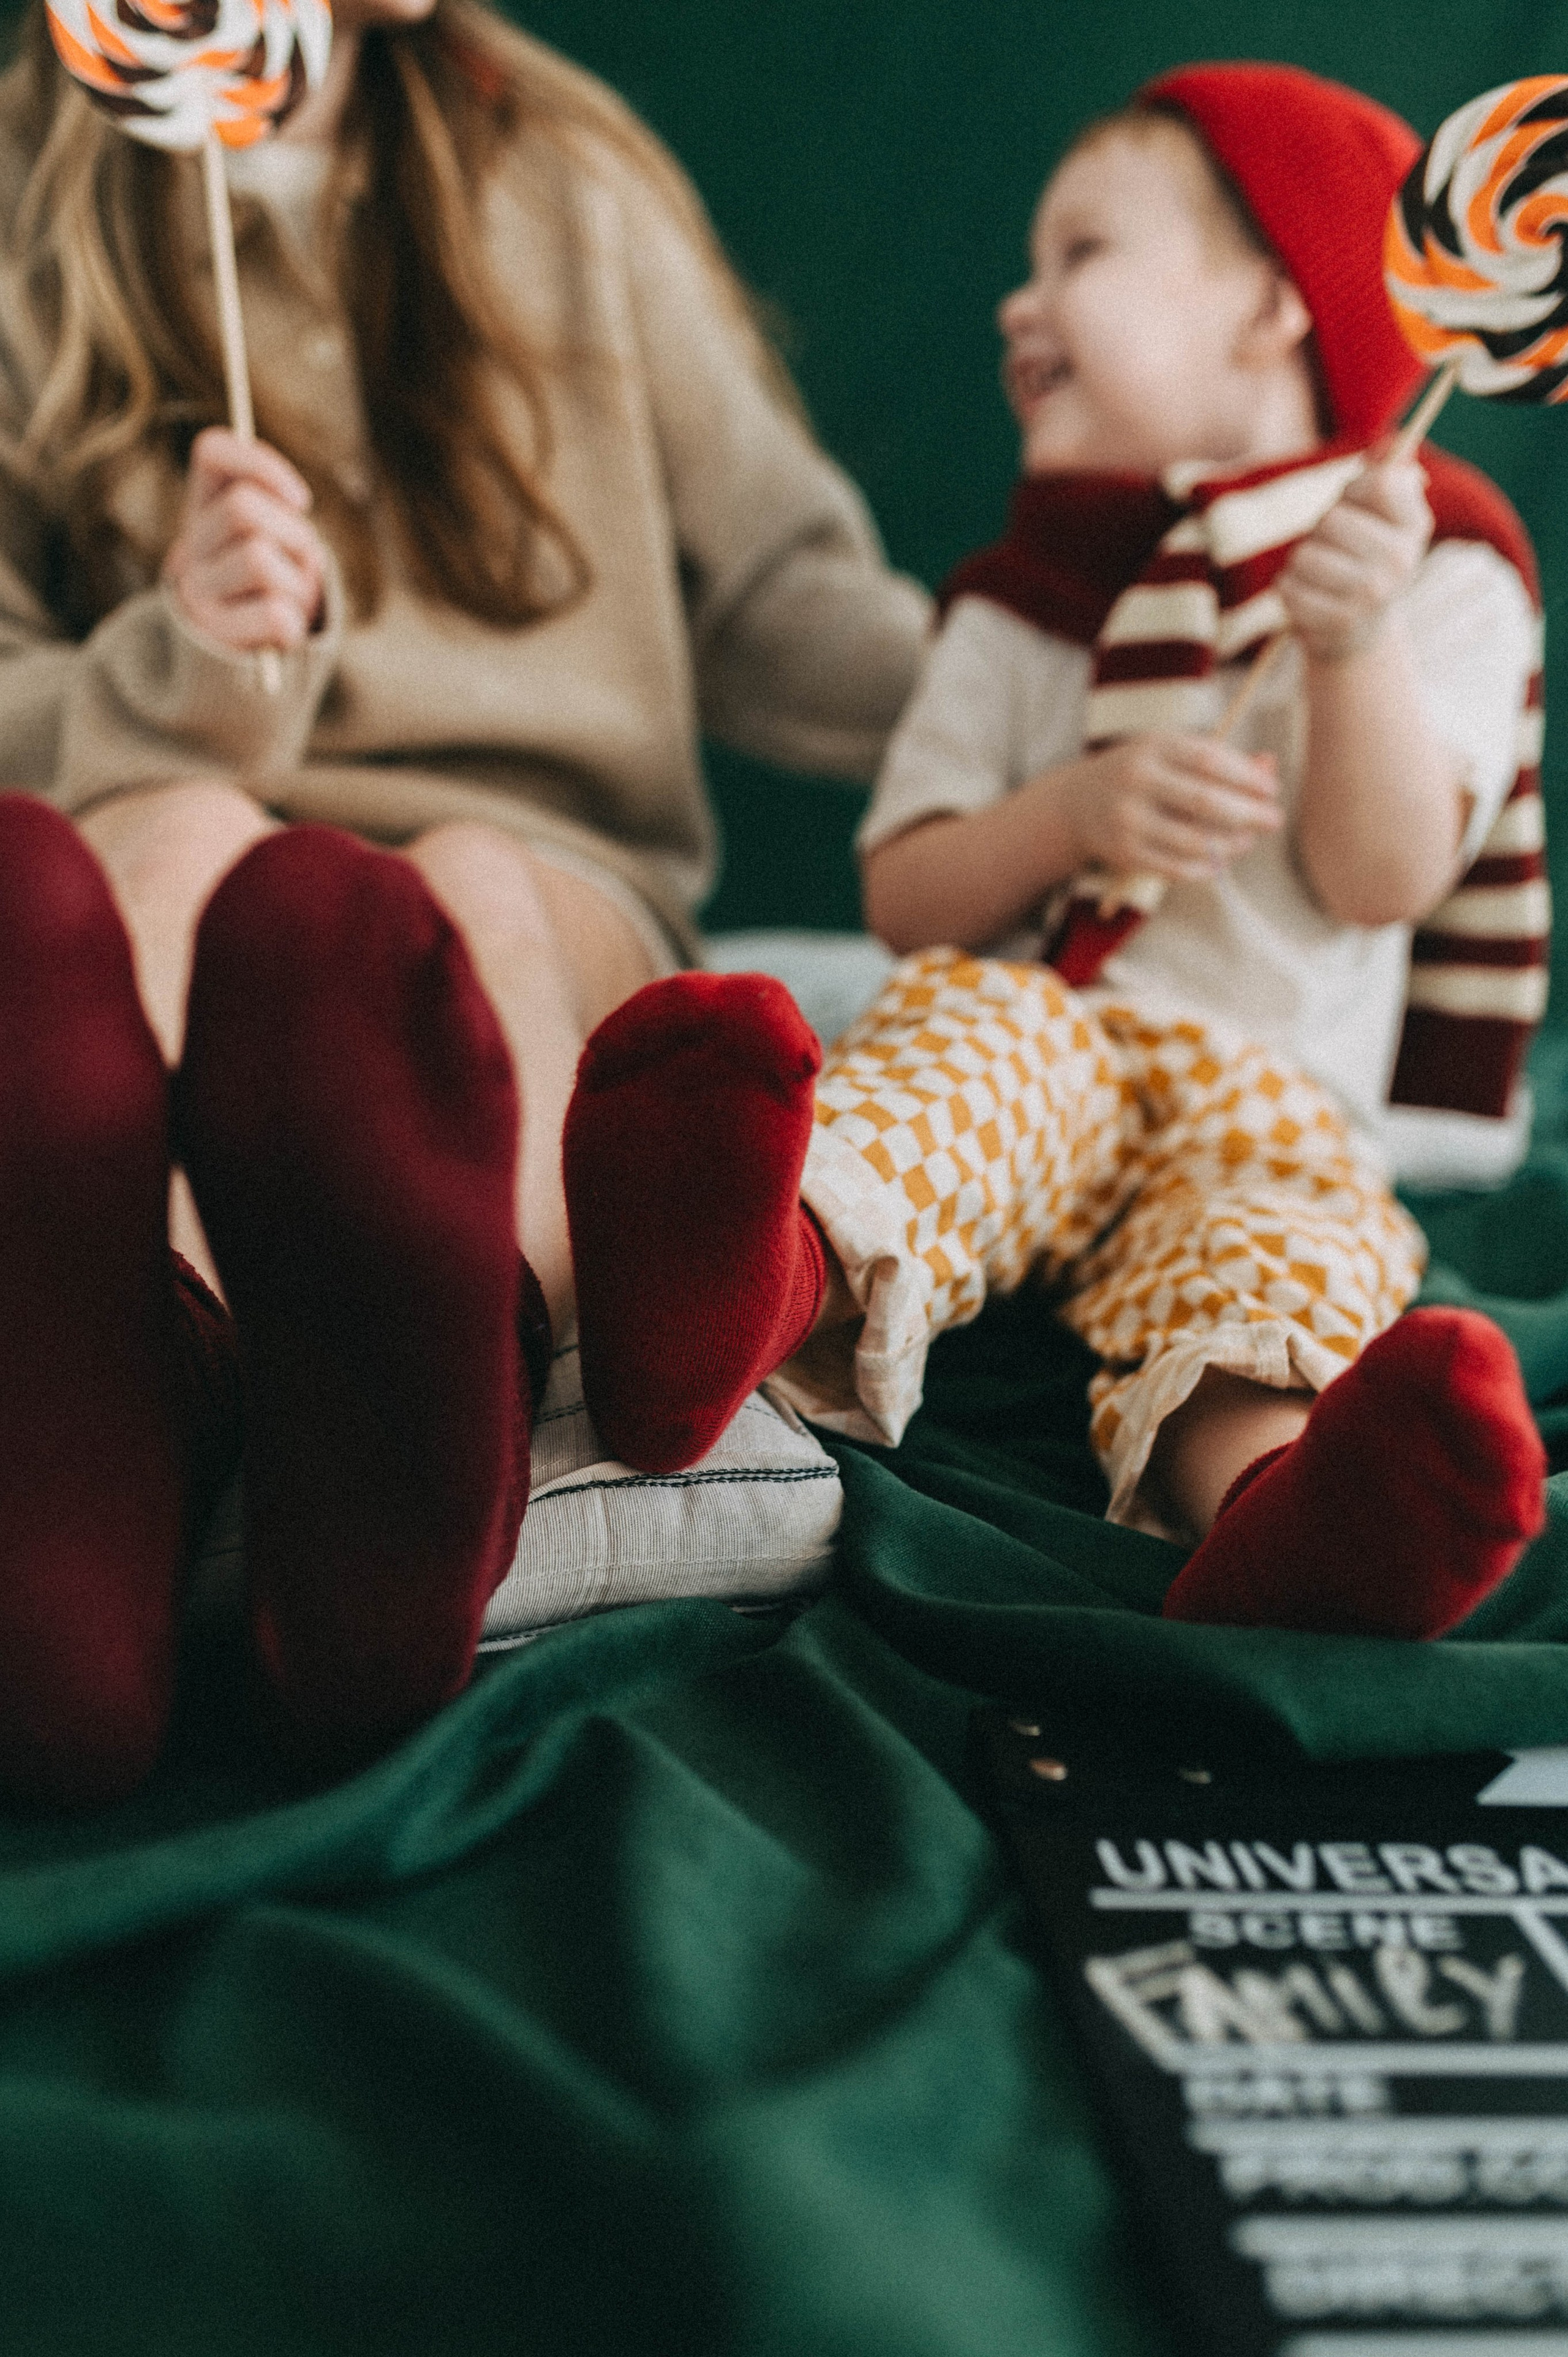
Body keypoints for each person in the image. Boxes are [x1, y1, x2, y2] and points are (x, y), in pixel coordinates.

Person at [0, 0, 930, 1801]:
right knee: (173, 853)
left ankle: (424, 1431)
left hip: (535, 837)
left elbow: (785, 598)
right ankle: (112, 1460)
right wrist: (168, 660)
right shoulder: (28, 201)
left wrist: (1057, 709)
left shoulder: (566, 175)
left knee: (462, 902)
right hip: (160, 780)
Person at [559, 62, 1548, 1645]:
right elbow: (907, 896)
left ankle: (1288, 1510)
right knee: (953, 1068)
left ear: (1277, 305)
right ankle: (729, 1281)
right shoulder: (1025, 605)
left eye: (1080, 255)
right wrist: (1068, 819)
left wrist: (1350, 648)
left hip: (1273, 1095)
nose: (1019, 306)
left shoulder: (1441, 574)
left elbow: (1389, 877)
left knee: (1276, 1265)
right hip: (1057, 1037)